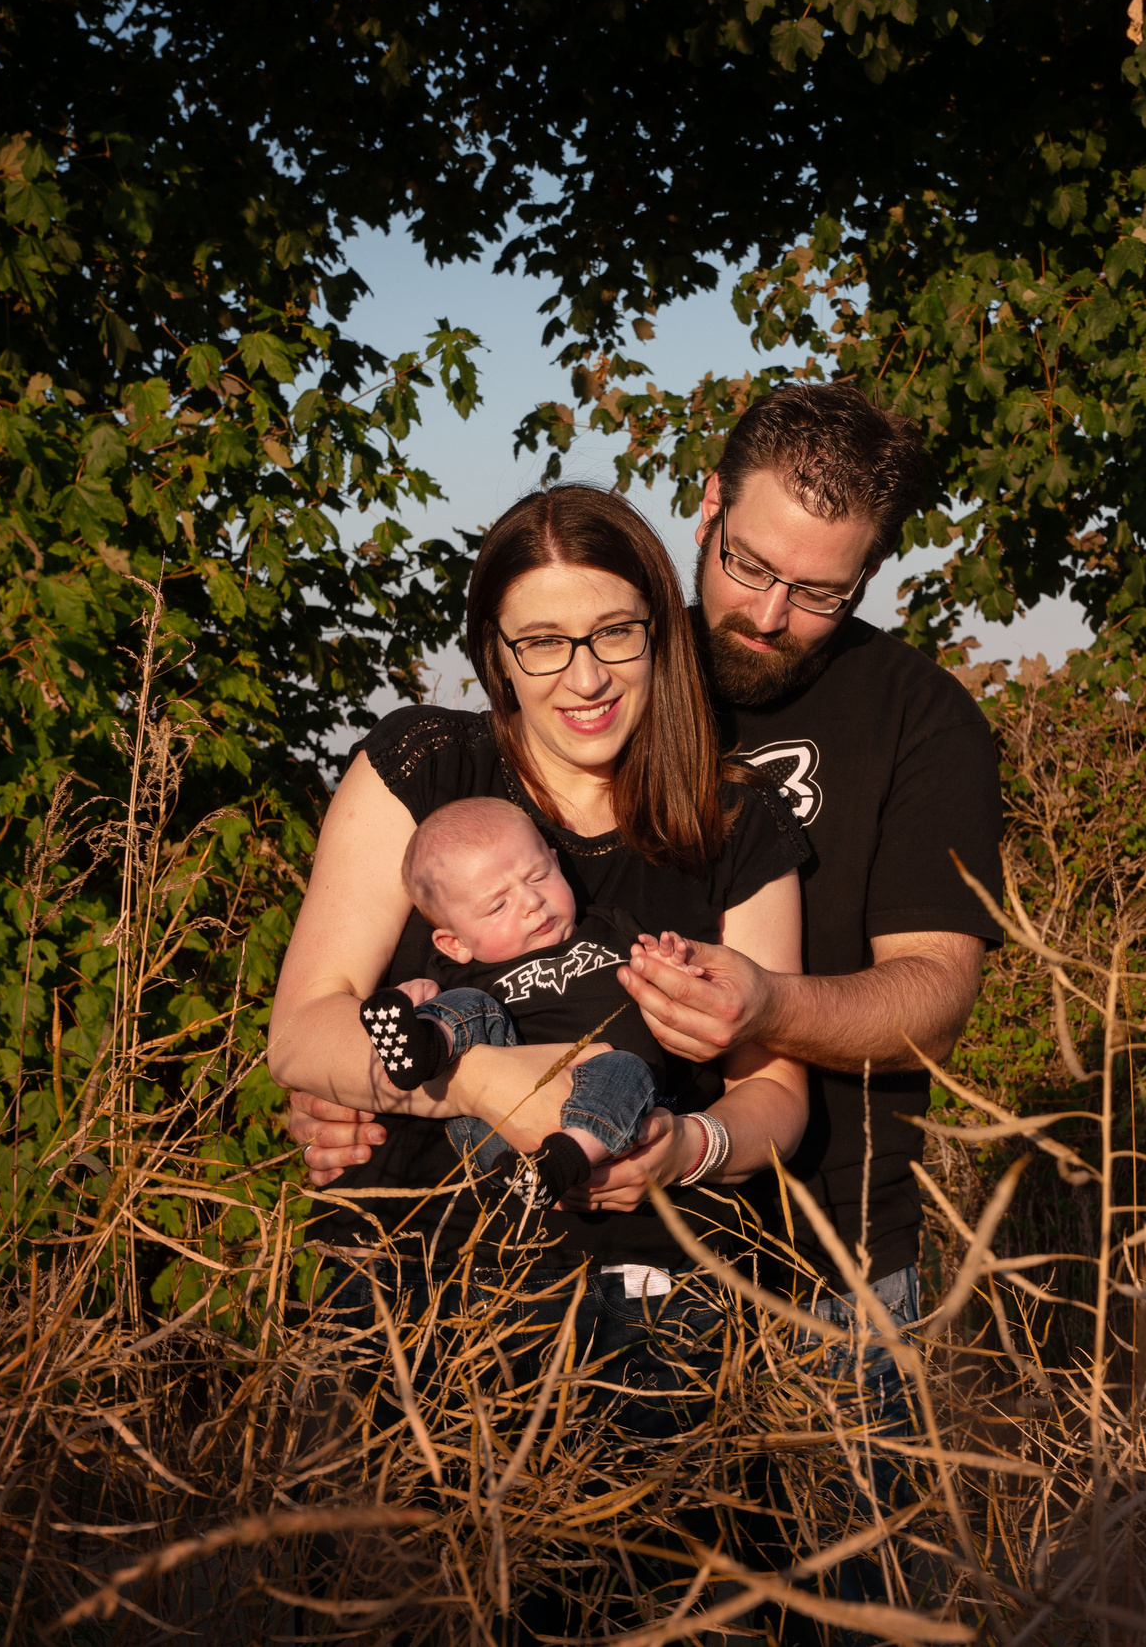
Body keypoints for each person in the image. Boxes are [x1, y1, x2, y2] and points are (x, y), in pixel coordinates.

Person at [265, 483, 810, 1366]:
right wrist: (479, 1084)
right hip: (414, 1300)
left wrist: (687, 1150)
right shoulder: (426, 768)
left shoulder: (735, 824)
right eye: (544, 643)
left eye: (615, 634)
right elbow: (299, 1032)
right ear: (498, 654)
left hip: (655, 1307)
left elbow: (779, 1098)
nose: (585, 677)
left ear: (658, 635)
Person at [358, 794, 705, 1203]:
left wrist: (671, 970)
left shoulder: (609, 929)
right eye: (499, 904)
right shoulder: (458, 971)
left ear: (557, 864)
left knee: (625, 1066)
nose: (531, 902)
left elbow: (662, 985)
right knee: (467, 1002)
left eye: (538, 876)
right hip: (497, 1130)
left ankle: (561, 1160)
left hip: (620, 1116)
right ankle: (425, 1043)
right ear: (454, 944)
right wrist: (415, 1001)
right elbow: (452, 1006)